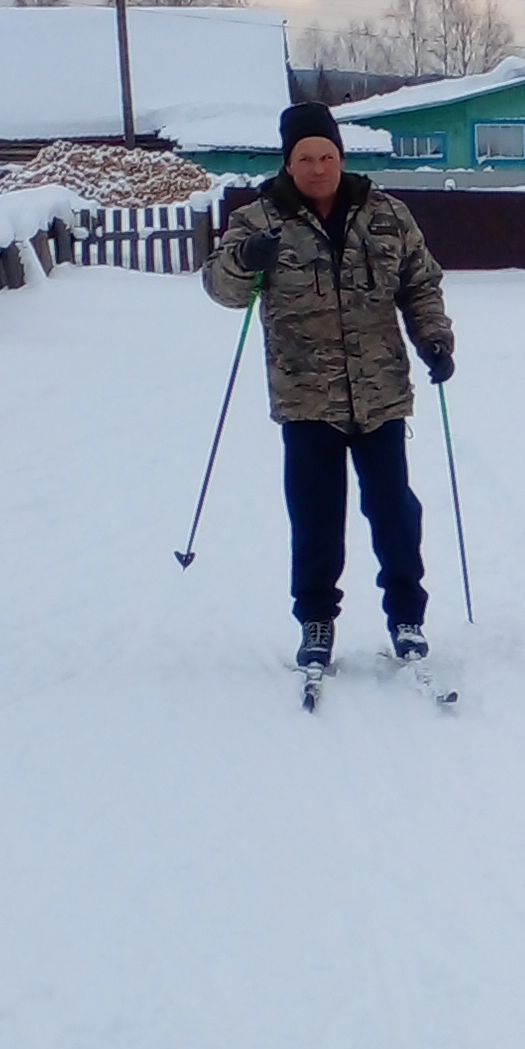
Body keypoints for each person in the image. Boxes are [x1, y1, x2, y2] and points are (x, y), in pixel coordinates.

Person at [204, 101, 456, 687]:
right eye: (305, 158)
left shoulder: (387, 215)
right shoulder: (259, 221)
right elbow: (221, 289)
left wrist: (434, 339)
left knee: (393, 510)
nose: (318, 168)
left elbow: (420, 284)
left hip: (380, 392)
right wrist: (244, 260)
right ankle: (316, 620)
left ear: (340, 156)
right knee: (315, 516)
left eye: (327, 156)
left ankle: (407, 617)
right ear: (288, 163)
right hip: (306, 397)